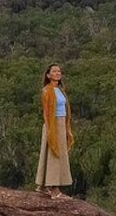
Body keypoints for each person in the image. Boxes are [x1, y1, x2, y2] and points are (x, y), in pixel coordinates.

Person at [35, 63, 74, 199]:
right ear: (48, 75)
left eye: (59, 71)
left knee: (58, 154)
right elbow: (46, 112)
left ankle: (45, 186)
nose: (58, 73)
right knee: (54, 154)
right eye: (54, 71)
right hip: (53, 124)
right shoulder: (47, 90)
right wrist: (52, 128)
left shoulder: (60, 90)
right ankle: (55, 190)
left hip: (61, 123)